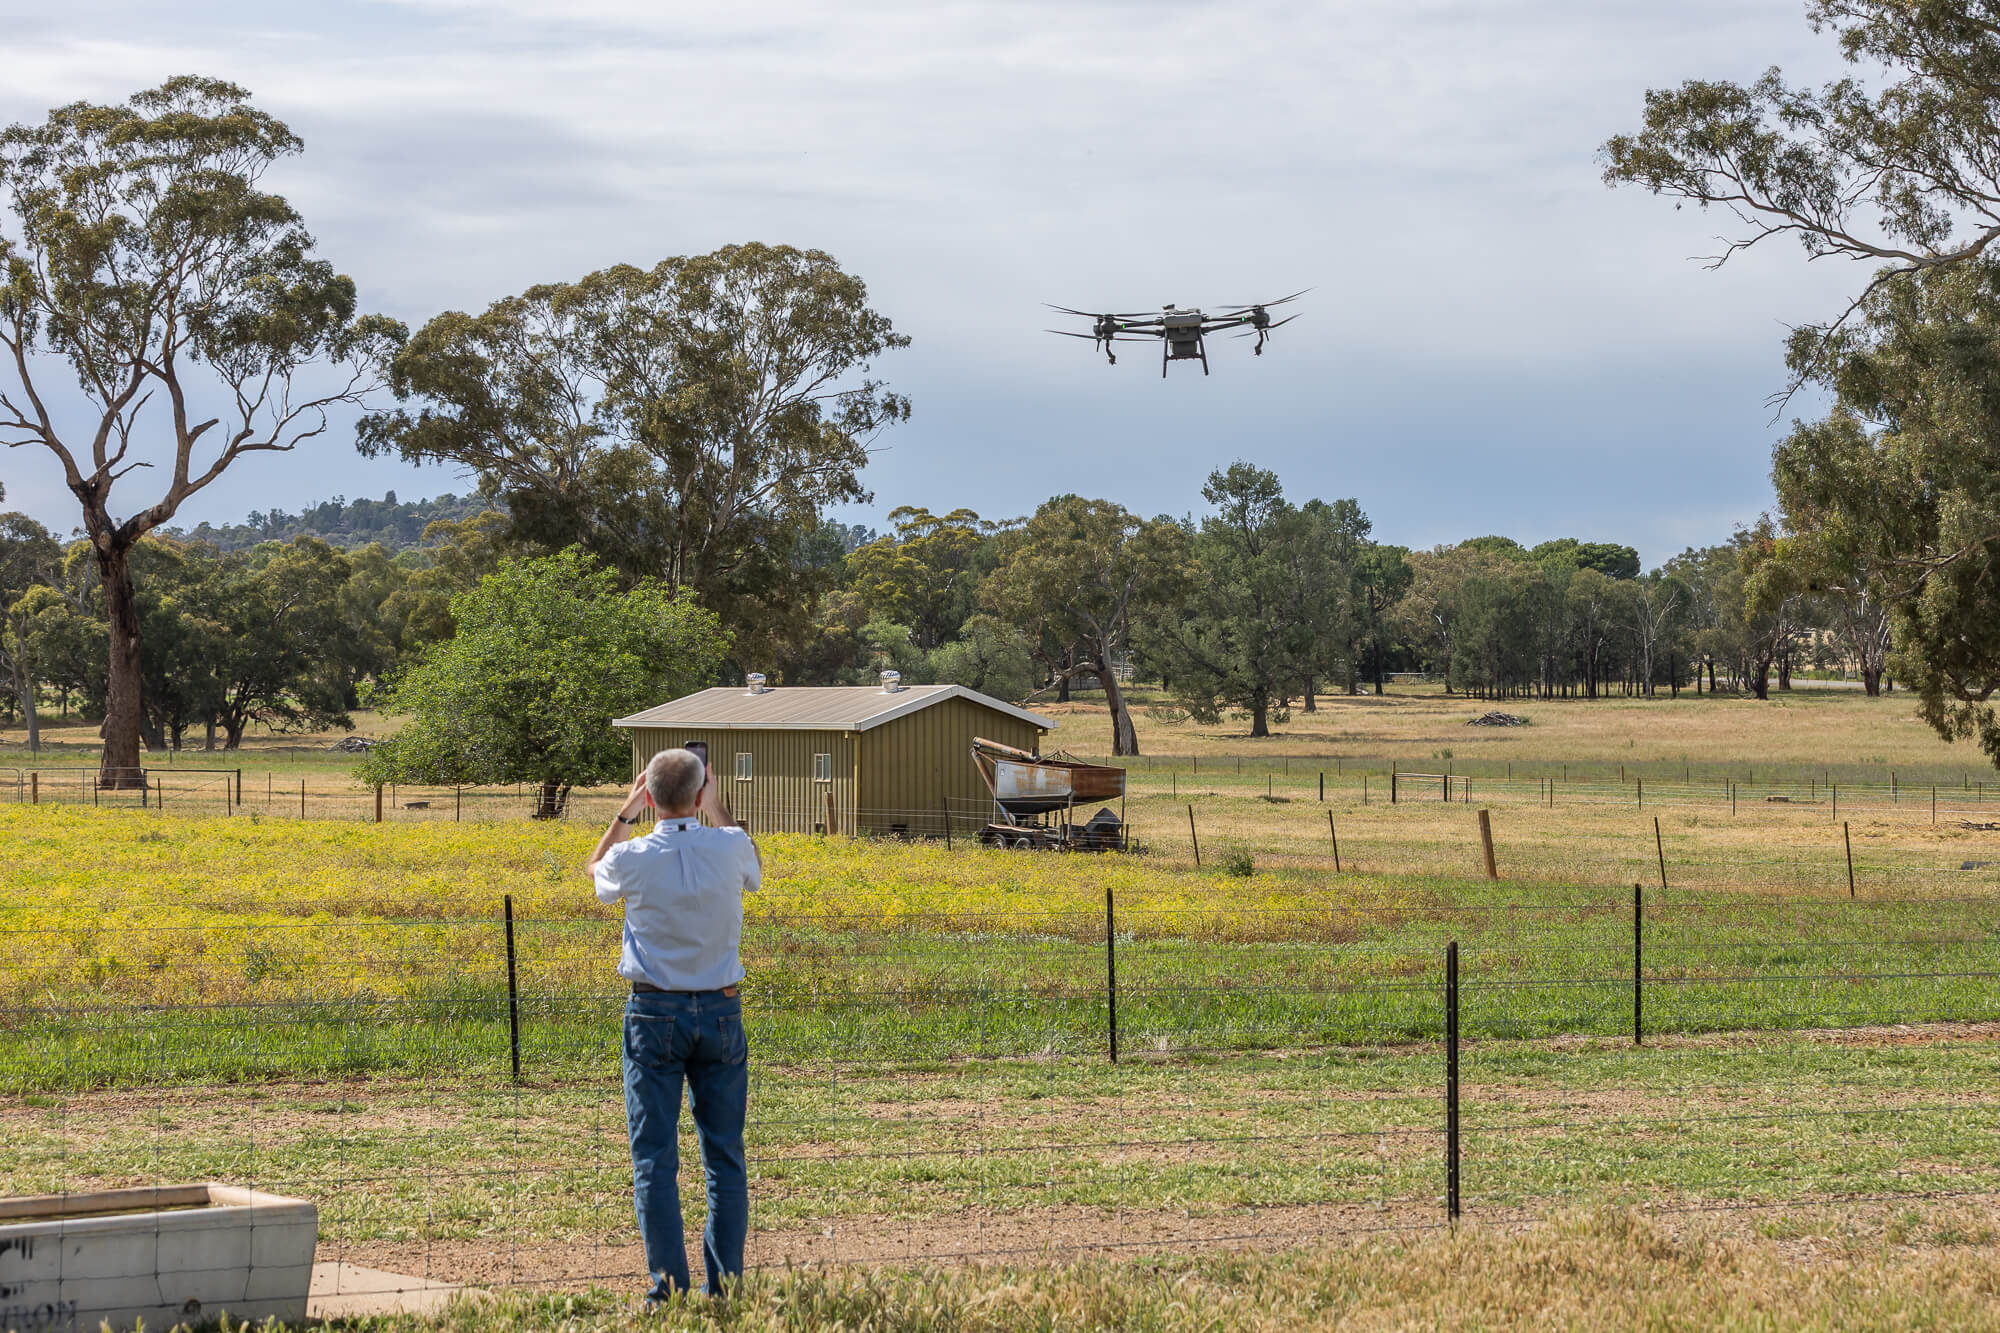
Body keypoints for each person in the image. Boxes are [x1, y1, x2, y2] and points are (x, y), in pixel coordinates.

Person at [587, 747, 763, 1300]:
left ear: (649, 793)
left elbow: (594, 869)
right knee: (725, 1158)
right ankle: (727, 1288)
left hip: (654, 1011)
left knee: (655, 1160)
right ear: (701, 788)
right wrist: (718, 808)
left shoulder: (633, 855)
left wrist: (625, 810)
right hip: (720, 1009)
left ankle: (668, 1291)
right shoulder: (730, 844)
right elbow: (752, 865)